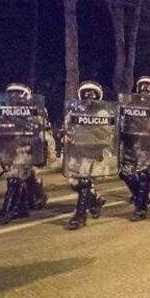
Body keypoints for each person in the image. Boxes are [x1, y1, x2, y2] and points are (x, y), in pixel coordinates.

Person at [0, 83, 52, 225]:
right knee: (25, 176)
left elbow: (37, 127)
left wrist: (13, 118)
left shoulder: (36, 110)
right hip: (10, 149)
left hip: (27, 149)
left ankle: (8, 210)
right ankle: (26, 204)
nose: (12, 97)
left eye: (15, 93)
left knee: (14, 177)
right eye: (10, 94)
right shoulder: (4, 111)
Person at [62, 81, 113, 230]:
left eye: (92, 93)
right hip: (77, 151)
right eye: (85, 93)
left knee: (83, 181)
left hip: (93, 152)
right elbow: (67, 128)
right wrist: (65, 136)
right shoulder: (74, 112)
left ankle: (80, 215)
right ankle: (95, 200)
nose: (88, 96)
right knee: (74, 183)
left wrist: (88, 127)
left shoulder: (102, 113)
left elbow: (107, 133)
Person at [118, 76, 150, 221]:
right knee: (125, 173)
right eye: (142, 85)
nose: (144, 89)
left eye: (148, 86)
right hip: (130, 145)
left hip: (147, 146)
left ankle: (141, 208)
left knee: (144, 175)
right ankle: (141, 196)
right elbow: (121, 122)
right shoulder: (129, 103)